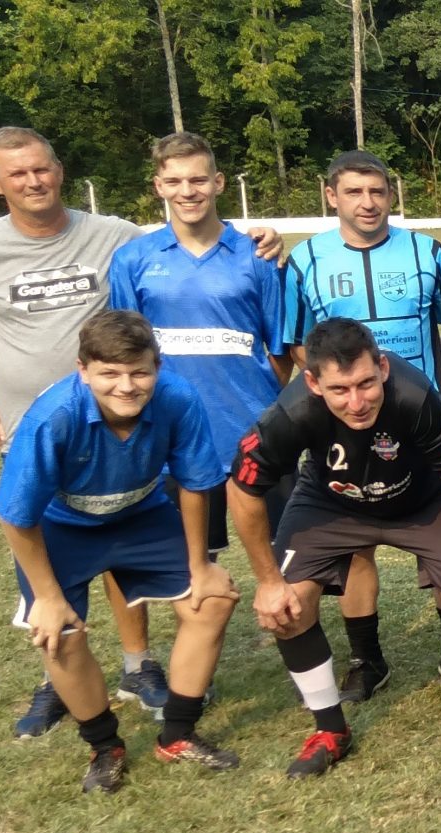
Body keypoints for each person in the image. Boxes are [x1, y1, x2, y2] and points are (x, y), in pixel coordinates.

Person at [0, 127, 278, 737]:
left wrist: (257, 237)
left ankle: (138, 665)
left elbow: (189, 237)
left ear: (59, 169)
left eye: (42, 168)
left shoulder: (113, 235)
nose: (34, 181)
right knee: (53, 548)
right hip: (37, 427)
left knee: (123, 540)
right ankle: (58, 676)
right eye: (17, 173)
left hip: (127, 419)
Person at [228, 318, 441, 777]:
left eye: (366, 383)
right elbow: (244, 488)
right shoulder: (291, 412)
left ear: (383, 368)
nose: (357, 402)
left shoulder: (414, 395)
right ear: (313, 383)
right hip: (331, 503)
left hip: (420, 500)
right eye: (340, 389)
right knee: (287, 608)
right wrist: (268, 581)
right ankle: (330, 729)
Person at [0, 311, 240, 792]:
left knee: (211, 600)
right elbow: (16, 515)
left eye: (139, 372)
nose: (126, 386)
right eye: (109, 373)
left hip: (141, 514)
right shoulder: (53, 416)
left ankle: (178, 734)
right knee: (59, 634)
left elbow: (194, 484)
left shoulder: (179, 398)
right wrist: (48, 598)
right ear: (83, 370)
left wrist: (200, 566)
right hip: (62, 526)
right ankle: (105, 746)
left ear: (157, 367)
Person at [281, 149, 441, 703]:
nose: (368, 202)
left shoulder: (427, 252)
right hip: (343, 427)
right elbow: (298, 345)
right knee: (355, 540)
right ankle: (367, 657)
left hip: (418, 424)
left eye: (377, 191)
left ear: (390, 194)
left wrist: (421, 386)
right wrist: (342, 398)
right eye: (354, 192)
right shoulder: (305, 260)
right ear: (330, 196)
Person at [107, 132, 292, 559]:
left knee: (287, 559)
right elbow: (124, 352)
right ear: (159, 186)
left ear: (219, 182)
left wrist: (258, 403)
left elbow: (280, 348)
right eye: (174, 181)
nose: (187, 191)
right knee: (191, 566)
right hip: (171, 436)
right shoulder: (132, 260)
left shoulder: (257, 255)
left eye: (198, 180)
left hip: (255, 431)